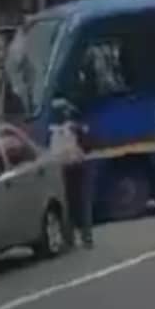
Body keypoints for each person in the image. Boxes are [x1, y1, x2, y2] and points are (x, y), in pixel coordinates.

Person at [50, 100, 94, 249]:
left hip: (68, 168)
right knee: (79, 203)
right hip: (74, 166)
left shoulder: (56, 129)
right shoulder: (72, 128)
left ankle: (73, 239)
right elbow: (88, 146)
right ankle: (82, 238)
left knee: (70, 203)